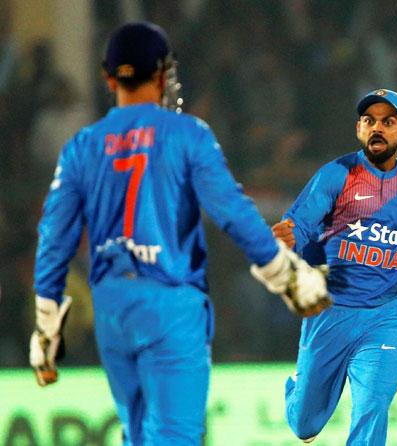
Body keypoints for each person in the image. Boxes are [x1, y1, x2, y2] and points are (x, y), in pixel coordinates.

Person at [29, 21, 330, 445]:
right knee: (175, 437)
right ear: (161, 73)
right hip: (169, 302)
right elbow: (233, 213)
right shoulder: (187, 135)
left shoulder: (82, 145)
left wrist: (46, 322)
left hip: (112, 306)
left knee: (139, 436)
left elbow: (54, 236)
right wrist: (286, 275)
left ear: (109, 77)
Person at [271, 88, 397, 444]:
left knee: (372, 406)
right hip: (329, 312)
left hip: (384, 317)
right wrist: (288, 238)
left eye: (388, 122)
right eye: (369, 121)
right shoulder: (335, 176)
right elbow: (299, 224)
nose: (377, 128)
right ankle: (300, 387)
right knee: (304, 425)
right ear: (359, 129)